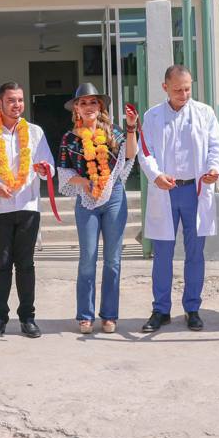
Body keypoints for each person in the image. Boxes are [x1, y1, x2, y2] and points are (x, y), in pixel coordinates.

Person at [137, 65, 219, 333]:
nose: (184, 94)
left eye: (187, 88)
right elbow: (145, 151)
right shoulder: (152, 116)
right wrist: (155, 175)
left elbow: (218, 146)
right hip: (165, 190)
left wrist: (213, 168)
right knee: (162, 253)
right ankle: (161, 310)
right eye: (178, 89)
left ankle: (192, 308)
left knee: (195, 253)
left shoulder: (205, 112)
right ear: (165, 87)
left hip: (195, 191)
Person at [0, 81, 56, 340]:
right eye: (11, 100)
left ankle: (28, 317)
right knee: (2, 264)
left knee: (26, 264)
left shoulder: (35, 132)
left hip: (28, 206)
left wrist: (44, 170)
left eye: (20, 100)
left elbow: (49, 165)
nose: (17, 105)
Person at [56, 83, 138, 334]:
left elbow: (129, 155)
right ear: (76, 110)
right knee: (87, 259)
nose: (88, 107)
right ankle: (85, 315)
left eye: (93, 102)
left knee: (113, 260)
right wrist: (85, 181)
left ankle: (110, 315)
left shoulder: (113, 133)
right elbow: (64, 173)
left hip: (114, 197)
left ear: (100, 106)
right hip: (86, 200)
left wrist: (132, 128)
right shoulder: (70, 139)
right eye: (83, 103)